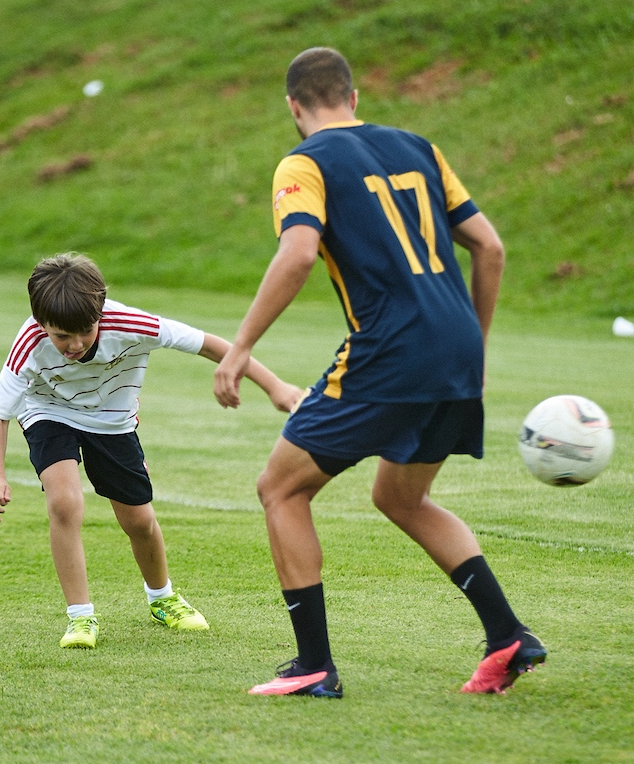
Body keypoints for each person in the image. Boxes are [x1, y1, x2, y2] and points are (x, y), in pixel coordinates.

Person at [214, 47, 546, 697]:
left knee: (280, 489)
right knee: (400, 497)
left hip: (391, 348)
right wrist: (471, 347)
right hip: (455, 346)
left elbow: (299, 252)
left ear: (293, 107)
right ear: (354, 97)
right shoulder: (421, 146)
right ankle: (507, 636)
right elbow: (491, 247)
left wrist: (239, 349)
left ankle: (313, 665)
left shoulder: (302, 162)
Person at [0, 253, 301, 649]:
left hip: (113, 421)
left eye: (84, 331)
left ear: (100, 311)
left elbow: (212, 346)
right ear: (41, 322)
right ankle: (80, 618)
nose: (75, 344)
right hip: (48, 411)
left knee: (138, 521)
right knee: (65, 502)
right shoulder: (29, 342)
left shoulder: (133, 324)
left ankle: (162, 598)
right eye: (61, 335)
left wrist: (275, 387)